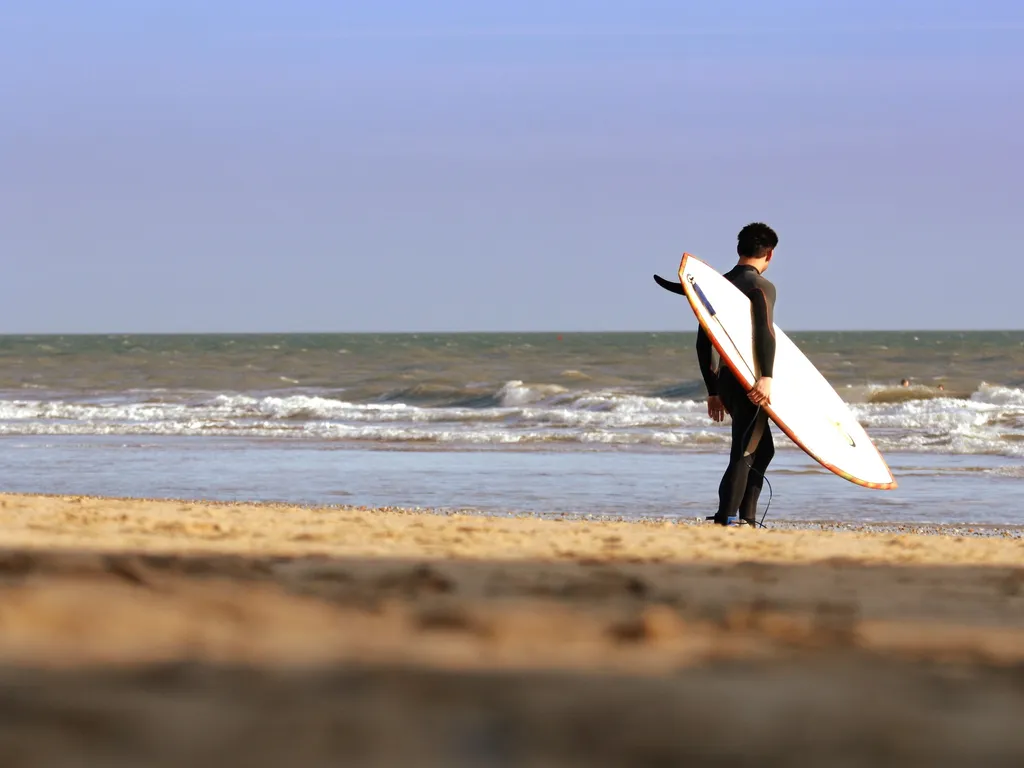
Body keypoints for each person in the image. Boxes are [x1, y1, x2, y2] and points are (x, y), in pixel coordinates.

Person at [696, 223, 779, 527]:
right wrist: (766, 376)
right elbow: (764, 332)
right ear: (769, 254)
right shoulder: (761, 287)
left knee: (762, 448)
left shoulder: (718, 284)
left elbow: (703, 341)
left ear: (738, 249)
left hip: (727, 380)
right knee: (745, 450)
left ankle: (746, 517)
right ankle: (728, 518)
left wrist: (713, 389)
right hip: (750, 381)